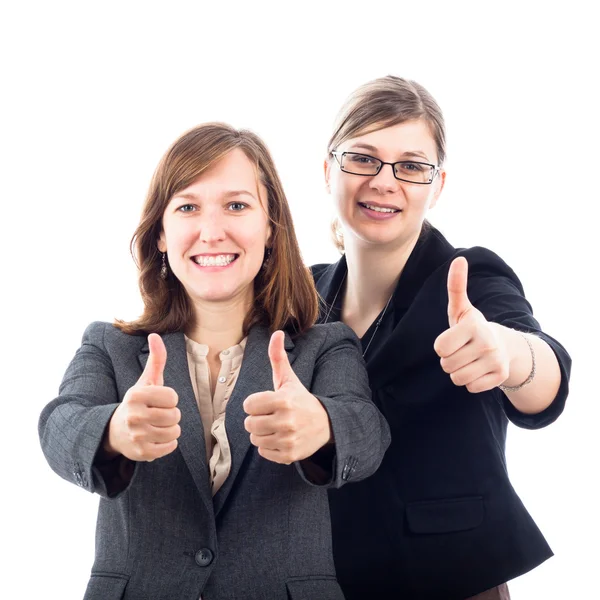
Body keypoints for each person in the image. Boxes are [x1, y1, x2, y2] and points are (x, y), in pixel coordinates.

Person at [38, 123, 390, 600]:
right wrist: (115, 431)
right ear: (161, 233)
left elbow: (366, 430)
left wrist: (323, 427)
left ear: (270, 228)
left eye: (237, 205)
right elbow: (60, 425)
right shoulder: (109, 346)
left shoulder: (323, 347)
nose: (211, 231)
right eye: (187, 207)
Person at [312, 76, 572, 600]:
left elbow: (546, 374)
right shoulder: (304, 294)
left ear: (439, 184)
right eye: (362, 158)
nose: (385, 182)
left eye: (411, 166)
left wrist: (507, 355)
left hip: (447, 581)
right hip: (324, 580)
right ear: (328, 169)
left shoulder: (471, 278)